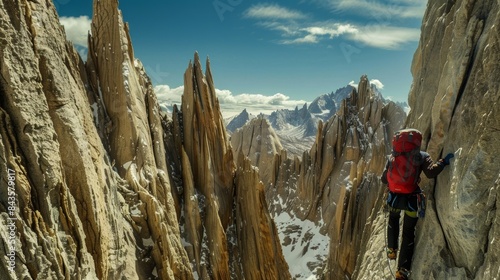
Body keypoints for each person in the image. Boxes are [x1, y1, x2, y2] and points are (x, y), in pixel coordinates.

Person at [381, 129, 454, 280]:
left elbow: (383, 179)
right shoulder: (422, 156)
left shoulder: (391, 157)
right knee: (408, 232)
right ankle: (402, 271)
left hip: (394, 199)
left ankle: (391, 250)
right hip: (412, 201)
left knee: (393, 220)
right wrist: (443, 162)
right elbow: (431, 173)